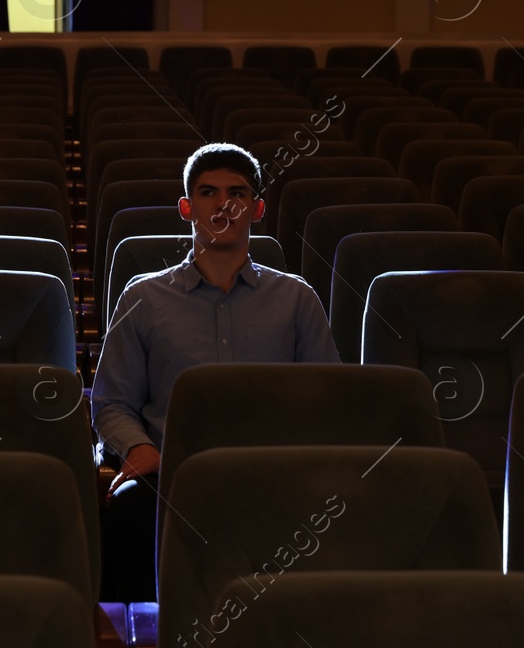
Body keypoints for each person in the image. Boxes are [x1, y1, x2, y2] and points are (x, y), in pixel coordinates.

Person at [91, 142, 341, 600]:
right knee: (125, 513)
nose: (223, 204)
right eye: (208, 192)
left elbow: (329, 401)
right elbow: (111, 403)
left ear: (257, 208)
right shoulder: (143, 298)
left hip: (273, 477)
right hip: (171, 477)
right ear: (186, 207)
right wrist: (141, 448)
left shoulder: (296, 299)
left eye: (237, 193)